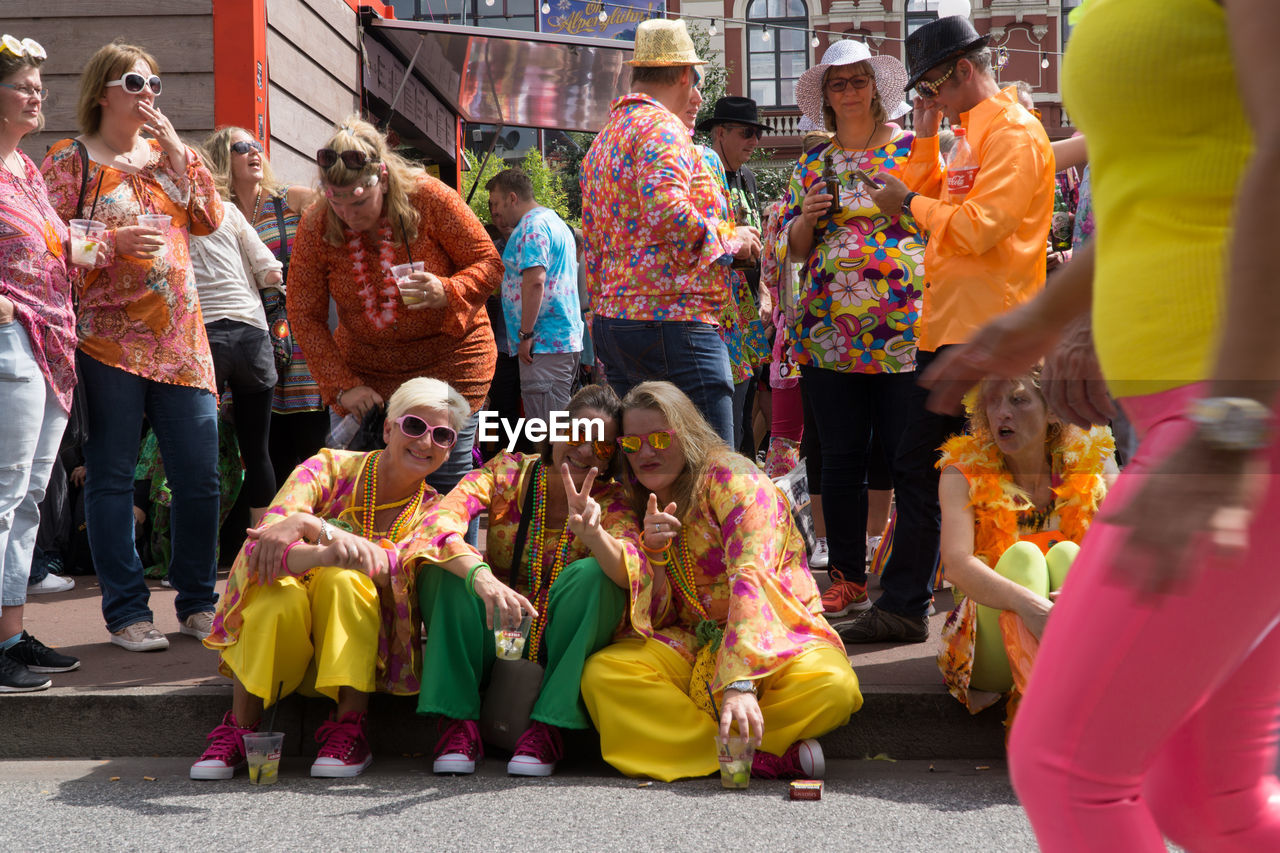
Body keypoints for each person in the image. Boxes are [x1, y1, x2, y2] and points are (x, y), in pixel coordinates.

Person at [921, 1, 1280, 848]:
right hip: (1203, 408)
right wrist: (1047, 317)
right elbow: (1161, 178)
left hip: (1239, 412)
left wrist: (1232, 421)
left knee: (1066, 767)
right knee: (1208, 799)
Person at [848, 15, 1054, 644]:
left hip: (989, 333)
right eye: (921, 93)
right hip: (951, 329)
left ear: (965, 70)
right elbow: (926, 200)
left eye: (932, 87)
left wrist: (910, 203)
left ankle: (967, 607)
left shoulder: (1014, 134)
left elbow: (972, 227)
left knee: (975, 471)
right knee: (927, 465)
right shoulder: (970, 132)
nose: (927, 99)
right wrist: (928, 136)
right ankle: (917, 604)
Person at [580, 381, 861, 781]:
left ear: (689, 434)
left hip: (777, 636)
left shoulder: (734, 479)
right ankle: (755, 754)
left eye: (659, 438)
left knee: (833, 686)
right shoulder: (634, 497)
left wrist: (739, 681)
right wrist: (655, 557)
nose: (644, 453)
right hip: (693, 641)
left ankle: (703, 747)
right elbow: (655, 617)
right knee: (604, 675)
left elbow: (753, 578)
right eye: (631, 444)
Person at [42, 41, 224, 653]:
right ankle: (126, 613)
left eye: (155, 82)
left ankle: (199, 603)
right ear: (102, 92)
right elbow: (47, 245)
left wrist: (176, 153)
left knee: (200, 478)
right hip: (108, 342)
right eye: (134, 81)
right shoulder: (70, 161)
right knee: (113, 478)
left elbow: (210, 219)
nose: (149, 92)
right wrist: (112, 244)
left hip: (183, 343)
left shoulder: (174, 157)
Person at [193, 377, 466, 779]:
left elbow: (390, 570)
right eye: (414, 426)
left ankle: (349, 729)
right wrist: (322, 545)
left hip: (359, 661)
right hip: (281, 649)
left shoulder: (434, 511)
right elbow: (261, 543)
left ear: (450, 449)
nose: (425, 442)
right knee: (274, 593)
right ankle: (240, 728)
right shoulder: (329, 467)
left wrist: (312, 530)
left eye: (441, 435)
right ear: (389, 428)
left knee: (346, 580)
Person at [404, 384, 640, 777]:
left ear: (614, 455)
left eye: (602, 447)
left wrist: (595, 536)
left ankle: (550, 726)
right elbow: (437, 523)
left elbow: (630, 569)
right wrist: (480, 575)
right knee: (444, 565)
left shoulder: (612, 502)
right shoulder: (508, 471)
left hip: (561, 643)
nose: (585, 452)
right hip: (494, 628)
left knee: (597, 575)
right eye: (578, 435)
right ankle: (457, 723)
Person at [779, 39, 925, 622]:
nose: (849, 92)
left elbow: (939, 223)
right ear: (826, 97)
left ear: (875, 87)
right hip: (828, 332)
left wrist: (904, 204)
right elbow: (793, 251)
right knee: (837, 458)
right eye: (838, 84)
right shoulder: (812, 163)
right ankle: (845, 579)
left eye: (858, 81)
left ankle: (911, 577)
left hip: (904, 330)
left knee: (908, 458)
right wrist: (806, 219)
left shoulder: (915, 151)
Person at [287, 116, 502, 495]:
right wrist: (342, 387)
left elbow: (489, 264)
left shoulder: (429, 198)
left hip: (452, 366)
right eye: (337, 203)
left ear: (382, 179)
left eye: (359, 202)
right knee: (380, 488)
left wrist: (447, 290)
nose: (349, 217)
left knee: (446, 483)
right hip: (371, 378)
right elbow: (304, 312)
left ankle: (448, 553)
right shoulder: (317, 224)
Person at [580, 19, 760, 443]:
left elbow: (597, 237)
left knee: (648, 461)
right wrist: (733, 240)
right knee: (712, 466)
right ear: (684, 74)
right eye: (694, 78)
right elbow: (667, 211)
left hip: (616, 319)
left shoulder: (605, 139)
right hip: (672, 319)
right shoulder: (660, 128)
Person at [936, 372, 1114, 725]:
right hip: (986, 648)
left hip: (1073, 628)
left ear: (1053, 410)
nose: (1002, 412)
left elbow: (1126, 549)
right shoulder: (962, 473)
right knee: (1024, 557)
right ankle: (1053, 722)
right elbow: (955, 565)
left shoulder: (1092, 466)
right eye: (993, 401)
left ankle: (1056, 711)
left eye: (1017, 400)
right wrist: (1031, 606)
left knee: (1067, 555)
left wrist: (1086, 590)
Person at [0, 34, 82, 692]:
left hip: (50, 338)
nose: (37, 95)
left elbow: (56, 247)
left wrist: (105, 241)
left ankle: (12, 633)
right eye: (22, 85)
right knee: (2, 497)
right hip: (10, 339)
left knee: (26, 498)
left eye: (38, 85)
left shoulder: (25, 167)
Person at [201, 126, 326, 489]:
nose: (255, 151)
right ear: (223, 157)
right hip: (245, 340)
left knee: (311, 447)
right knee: (263, 451)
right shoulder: (211, 215)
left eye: (257, 145)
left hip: (297, 337)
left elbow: (336, 225)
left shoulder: (288, 201)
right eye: (243, 147)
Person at [190, 134, 284, 526]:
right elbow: (270, 270)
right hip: (251, 335)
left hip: (205, 336)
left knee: (200, 451)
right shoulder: (228, 211)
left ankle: (201, 551)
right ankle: (266, 546)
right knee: (257, 450)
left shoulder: (169, 217)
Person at [679, 91, 769, 453]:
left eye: (757, 133)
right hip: (716, 308)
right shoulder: (702, 170)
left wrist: (763, 292)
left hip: (745, 307)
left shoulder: (746, 177)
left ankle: (744, 474)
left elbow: (755, 241)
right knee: (726, 401)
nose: (755, 141)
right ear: (720, 133)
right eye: (746, 133)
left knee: (748, 400)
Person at [485, 167, 583, 424]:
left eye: (497, 202)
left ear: (512, 198)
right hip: (559, 339)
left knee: (548, 431)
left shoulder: (531, 227)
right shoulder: (554, 222)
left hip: (543, 342)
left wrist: (525, 334)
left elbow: (535, 281)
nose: (495, 211)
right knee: (556, 422)